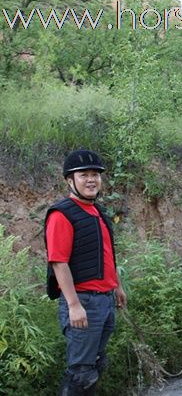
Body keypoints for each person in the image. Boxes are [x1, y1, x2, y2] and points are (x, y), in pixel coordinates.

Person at [44, 149, 127, 396]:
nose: (91, 180)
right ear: (70, 180)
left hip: (105, 299)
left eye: (95, 174)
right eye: (83, 175)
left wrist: (117, 286)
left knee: (96, 365)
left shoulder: (98, 211)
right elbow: (59, 263)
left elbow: (107, 254)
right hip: (83, 302)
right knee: (80, 372)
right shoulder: (62, 214)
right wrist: (73, 304)